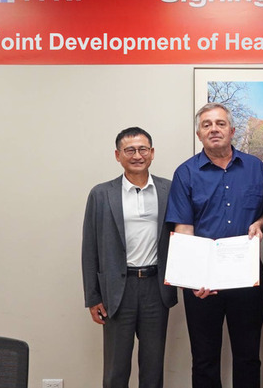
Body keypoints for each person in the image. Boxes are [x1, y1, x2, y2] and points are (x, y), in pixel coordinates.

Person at [165, 103, 263, 388]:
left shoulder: (255, 168)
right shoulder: (185, 173)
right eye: (207, 124)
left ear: (232, 130)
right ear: (199, 134)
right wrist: (192, 279)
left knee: (248, 357)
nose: (214, 129)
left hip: (247, 279)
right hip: (203, 283)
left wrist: (260, 223)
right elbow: (183, 228)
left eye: (220, 123)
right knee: (204, 359)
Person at [82, 127, 177, 388]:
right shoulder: (101, 194)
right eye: (130, 150)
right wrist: (93, 296)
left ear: (152, 153)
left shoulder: (169, 189)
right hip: (116, 290)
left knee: (153, 367)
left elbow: (183, 233)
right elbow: (89, 247)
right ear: (118, 155)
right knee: (116, 369)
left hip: (156, 288)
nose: (137, 155)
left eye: (143, 149)